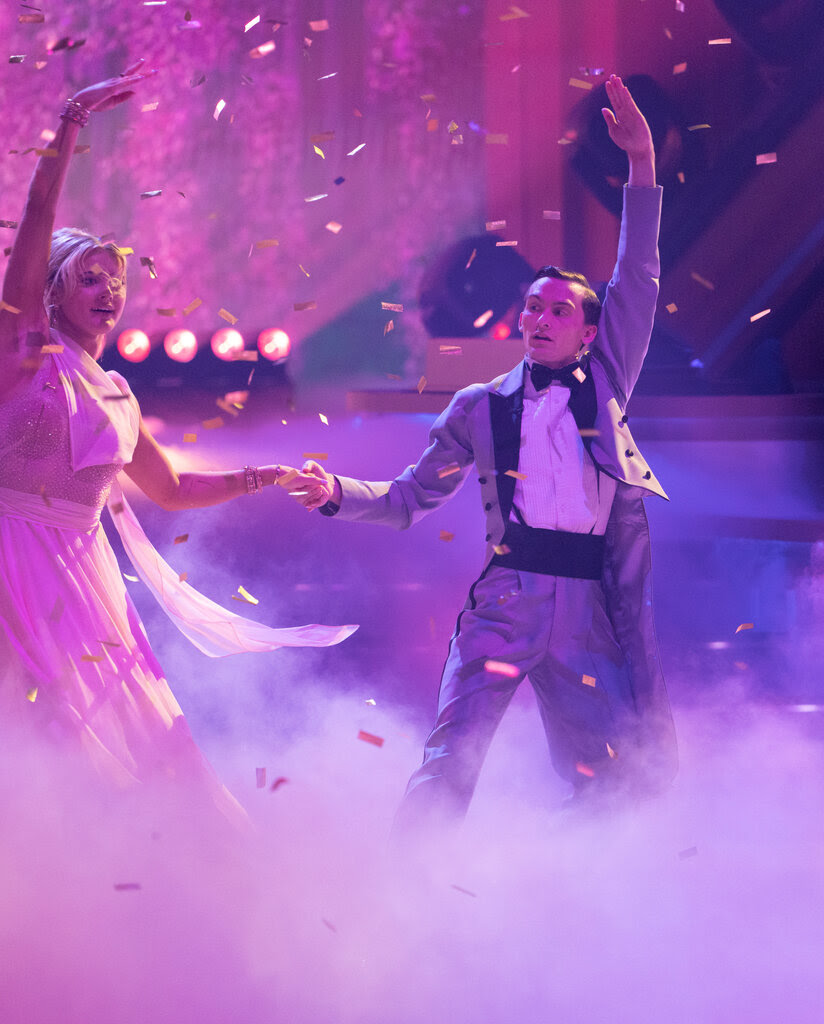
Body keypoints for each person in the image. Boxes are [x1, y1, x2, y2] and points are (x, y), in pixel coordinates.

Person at [0, 63, 355, 832]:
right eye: (89, 277)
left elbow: (173, 490)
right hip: (7, 560)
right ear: (52, 292)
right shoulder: (27, 354)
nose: (109, 290)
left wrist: (263, 475)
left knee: (120, 739)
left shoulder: (118, 390)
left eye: (116, 279)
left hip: (85, 573)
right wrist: (69, 126)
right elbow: (29, 225)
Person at [295, 76, 677, 834]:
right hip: (507, 601)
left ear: (589, 333)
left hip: (587, 611)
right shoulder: (481, 406)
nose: (539, 317)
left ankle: (568, 896)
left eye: (558, 310)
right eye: (532, 305)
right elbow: (409, 498)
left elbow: (637, 275)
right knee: (452, 757)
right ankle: (402, 898)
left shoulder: (605, 382)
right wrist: (336, 489)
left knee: (614, 774)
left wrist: (641, 167)